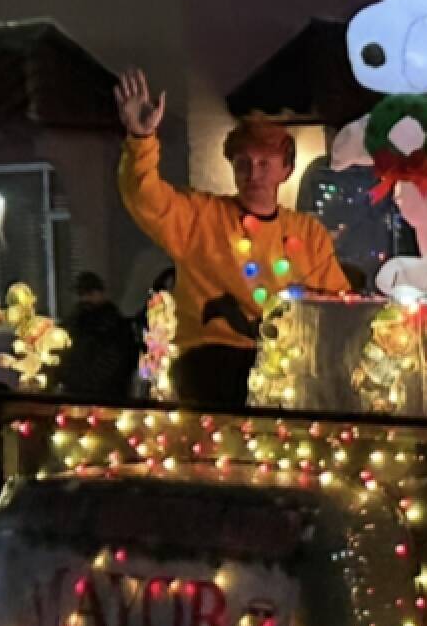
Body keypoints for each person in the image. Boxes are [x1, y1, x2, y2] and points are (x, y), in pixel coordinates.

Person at [114, 69, 350, 407]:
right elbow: (145, 197)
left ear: (285, 169)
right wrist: (140, 140)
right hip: (212, 364)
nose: (254, 173)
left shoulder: (307, 233)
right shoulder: (201, 218)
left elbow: (338, 302)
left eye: (264, 163)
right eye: (244, 163)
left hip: (287, 367)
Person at [56, 271, 140, 401]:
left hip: (105, 396)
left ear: (100, 293)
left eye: (89, 293)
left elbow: (115, 362)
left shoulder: (115, 326)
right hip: (75, 394)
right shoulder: (74, 321)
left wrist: (84, 383)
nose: (85, 299)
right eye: (81, 294)